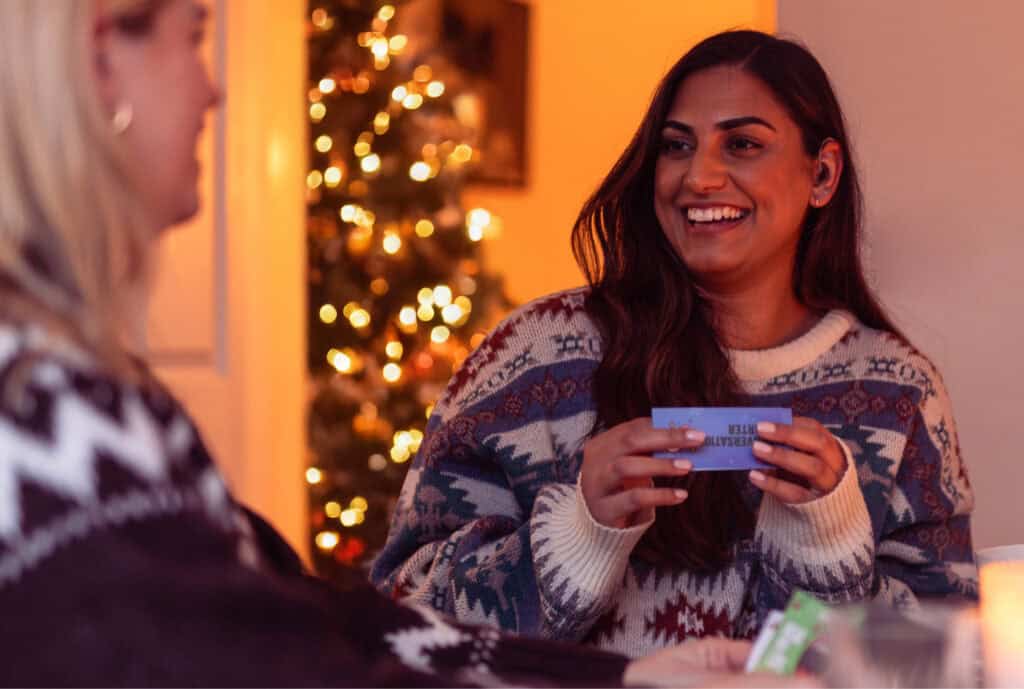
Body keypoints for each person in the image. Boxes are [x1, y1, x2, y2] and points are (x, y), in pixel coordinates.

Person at [0, 1, 773, 686]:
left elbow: (326, 623)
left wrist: (623, 676)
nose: (213, 89)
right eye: (193, 35)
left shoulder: (80, 394)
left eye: (743, 146)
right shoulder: (48, 420)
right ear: (102, 56)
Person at [371, 29, 978, 658]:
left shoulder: (898, 391)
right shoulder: (533, 358)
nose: (699, 176)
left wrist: (830, 557)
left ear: (821, 174)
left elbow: (945, 660)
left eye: (742, 144)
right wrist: (573, 540)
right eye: (676, 146)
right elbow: (399, 620)